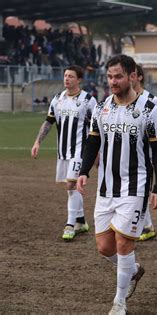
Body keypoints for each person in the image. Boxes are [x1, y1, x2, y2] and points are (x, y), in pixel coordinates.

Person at [76, 54, 157, 315]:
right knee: (105, 248)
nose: (113, 81)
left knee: (124, 244)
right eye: (110, 77)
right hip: (106, 188)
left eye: (118, 76)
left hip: (135, 187)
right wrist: (84, 172)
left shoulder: (148, 108)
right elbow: (93, 141)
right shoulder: (102, 107)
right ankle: (133, 270)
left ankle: (119, 302)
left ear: (131, 76)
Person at [31, 65, 97, 241]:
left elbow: (97, 128)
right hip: (63, 152)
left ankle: (70, 225)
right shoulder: (57, 99)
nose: (67, 79)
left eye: (71, 76)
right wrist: (38, 141)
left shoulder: (88, 100)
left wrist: (97, 152)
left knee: (71, 185)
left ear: (79, 80)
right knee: (71, 189)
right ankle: (81, 221)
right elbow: (48, 122)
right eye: (65, 76)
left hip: (80, 151)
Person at [133, 64, 157, 241]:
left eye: (132, 74)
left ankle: (145, 226)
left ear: (139, 77)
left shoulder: (152, 100)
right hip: (129, 153)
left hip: (146, 154)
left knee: (141, 189)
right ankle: (146, 226)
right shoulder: (122, 99)